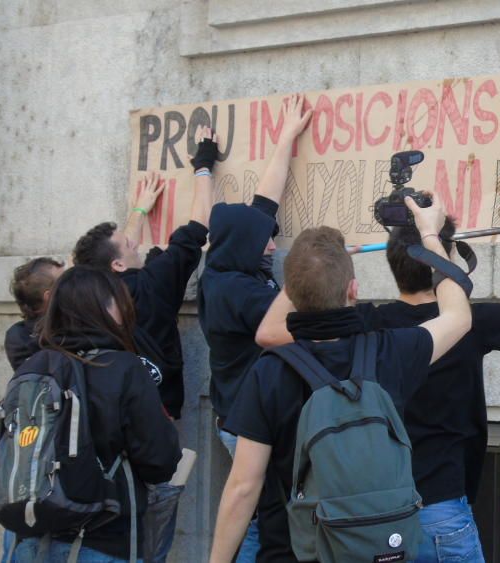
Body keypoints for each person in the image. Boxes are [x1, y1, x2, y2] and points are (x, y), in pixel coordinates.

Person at [257, 209, 500, 562]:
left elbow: (269, 332)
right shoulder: (470, 324)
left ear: (393, 265)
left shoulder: (369, 325)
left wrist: (317, 267)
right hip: (442, 512)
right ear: (446, 264)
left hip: (378, 518)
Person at [209, 195, 473, 563]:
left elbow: (243, 487)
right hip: (375, 549)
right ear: (354, 289)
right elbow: (459, 316)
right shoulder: (391, 351)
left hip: (293, 551)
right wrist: (430, 237)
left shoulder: (269, 371)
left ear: (292, 294)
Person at [71, 125, 217, 561]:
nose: (136, 239)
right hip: (154, 431)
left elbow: (110, 257)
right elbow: (197, 227)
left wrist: (137, 210)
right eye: (130, 242)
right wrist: (204, 164)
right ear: (118, 261)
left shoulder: (85, 299)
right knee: (149, 533)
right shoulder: (154, 286)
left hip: (97, 441)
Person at [197, 94, 309, 562]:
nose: (272, 241)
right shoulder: (242, 294)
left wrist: (286, 135)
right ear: (245, 246)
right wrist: (311, 268)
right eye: (266, 238)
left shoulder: (223, 269)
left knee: (262, 517)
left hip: (237, 412)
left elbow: (264, 200)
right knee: (260, 520)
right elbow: (299, 324)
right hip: (247, 424)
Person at [11, 266, 181, 562]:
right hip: (102, 540)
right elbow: (160, 461)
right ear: (103, 310)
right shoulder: (124, 368)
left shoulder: (33, 365)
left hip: (30, 537)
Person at [1, 257, 66, 562]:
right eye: (64, 280)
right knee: (25, 533)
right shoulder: (29, 337)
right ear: (49, 297)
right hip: (33, 448)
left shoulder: (22, 333)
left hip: (38, 449)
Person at [5, 257, 65, 370]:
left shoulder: (16, 335)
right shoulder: (21, 336)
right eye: (65, 282)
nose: (73, 285)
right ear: (49, 296)